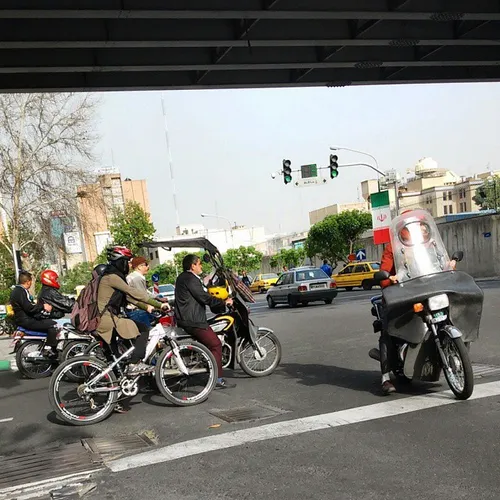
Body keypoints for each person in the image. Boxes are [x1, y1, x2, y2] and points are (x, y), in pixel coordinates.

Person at [377, 212, 456, 394]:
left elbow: (438, 264)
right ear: (403, 230)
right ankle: (386, 377)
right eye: (411, 227)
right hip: (402, 294)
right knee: (388, 329)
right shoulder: (393, 248)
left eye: (419, 225)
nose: (416, 229)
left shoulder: (429, 245)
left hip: (428, 289)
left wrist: (449, 264)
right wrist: (391, 278)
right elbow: (383, 277)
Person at [96, 246, 168, 375]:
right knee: (142, 329)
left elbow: (129, 298)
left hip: (109, 317)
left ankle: (119, 379)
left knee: (117, 359)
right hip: (107, 319)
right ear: (120, 261)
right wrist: (159, 304)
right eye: (128, 261)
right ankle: (134, 363)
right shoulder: (112, 277)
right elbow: (134, 293)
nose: (130, 265)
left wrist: (147, 307)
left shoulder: (113, 276)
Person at [174, 254, 236, 390]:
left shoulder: (183, 278)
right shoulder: (190, 279)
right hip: (194, 321)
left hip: (186, 319)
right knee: (216, 344)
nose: (201, 266)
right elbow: (203, 297)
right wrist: (224, 302)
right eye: (199, 264)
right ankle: (217, 378)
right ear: (193, 266)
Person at [10, 272, 58, 358]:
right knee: (53, 325)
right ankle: (49, 349)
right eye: (31, 281)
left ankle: (47, 344)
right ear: (28, 282)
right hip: (27, 320)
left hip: (22, 320)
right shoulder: (22, 291)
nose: (31, 284)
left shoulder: (15, 291)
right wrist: (43, 306)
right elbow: (29, 308)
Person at [125, 256, 170, 328]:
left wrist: (158, 298)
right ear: (139, 267)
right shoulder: (137, 279)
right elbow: (142, 297)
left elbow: (145, 292)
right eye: (146, 264)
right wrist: (159, 305)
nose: (148, 267)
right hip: (138, 312)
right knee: (149, 335)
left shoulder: (134, 277)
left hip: (138, 311)